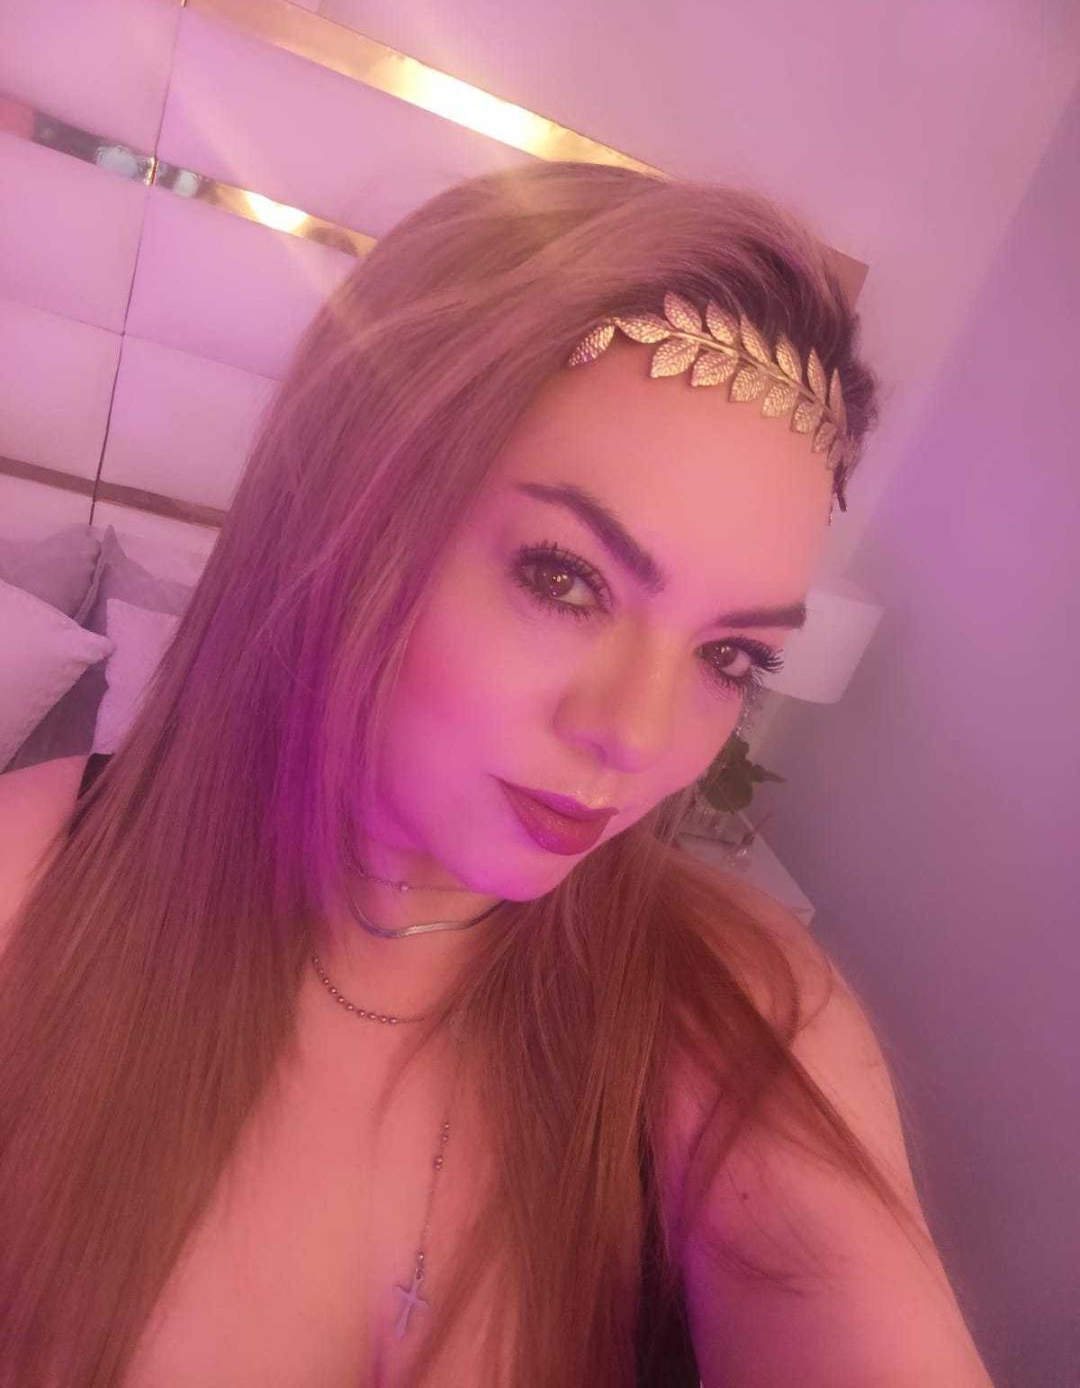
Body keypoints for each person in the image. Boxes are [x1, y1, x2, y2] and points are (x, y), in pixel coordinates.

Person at [0, 161, 997, 1387]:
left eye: (730, 656)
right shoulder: (35, 884)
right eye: (565, 579)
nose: (637, 735)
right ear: (352, 517)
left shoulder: (736, 1000)